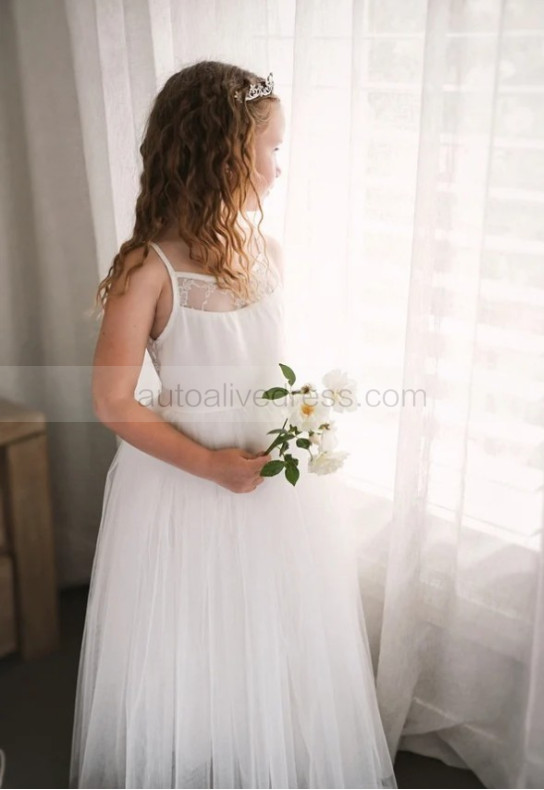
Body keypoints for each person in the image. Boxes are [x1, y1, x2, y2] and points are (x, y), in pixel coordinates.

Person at [69, 60, 397, 789]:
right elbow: (112, 401)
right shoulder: (148, 271)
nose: (279, 169)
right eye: (271, 150)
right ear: (220, 151)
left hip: (272, 485)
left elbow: (264, 362)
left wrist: (303, 418)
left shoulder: (269, 256)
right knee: (191, 634)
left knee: (272, 631)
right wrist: (209, 466)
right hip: (184, 486)